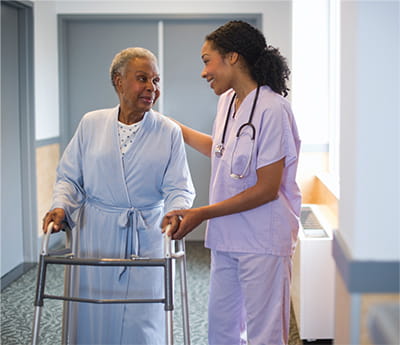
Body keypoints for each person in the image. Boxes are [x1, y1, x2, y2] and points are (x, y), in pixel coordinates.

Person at [42, 47, 195, 345]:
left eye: (156, 80)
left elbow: (180, 187)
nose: (152, 88)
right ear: (118, 81)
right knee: (94, 312)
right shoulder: (91, 123)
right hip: (96, 235)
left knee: (143, 319)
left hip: (147, 235)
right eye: (142, 79)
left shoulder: (168, 132)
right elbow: (70, 177)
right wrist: (60, 207)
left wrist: (176, 211)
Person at [162, 21, 301, 345]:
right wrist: (174, 128)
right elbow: (222, 151)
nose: (203, 72)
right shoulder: (227, 102)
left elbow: (267, 188)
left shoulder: (274, 109)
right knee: (221, 329)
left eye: (207, 60)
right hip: (227, 238)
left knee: (264, 333)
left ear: (233, 57)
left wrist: (201, 213)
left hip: (263, 239)